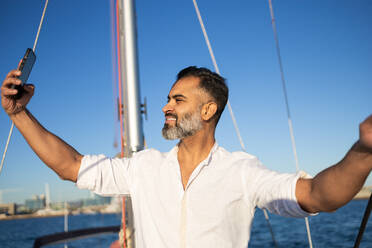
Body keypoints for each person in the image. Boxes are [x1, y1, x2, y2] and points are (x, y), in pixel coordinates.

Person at [1, 66, 372, 247]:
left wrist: (363, 151)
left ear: (208, 111)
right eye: (168, 98)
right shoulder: (144, 167)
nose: (165, 106)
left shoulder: (241, 170)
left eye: (178, 100)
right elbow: (70, 166)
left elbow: (319, 195)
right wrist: (18, 113)